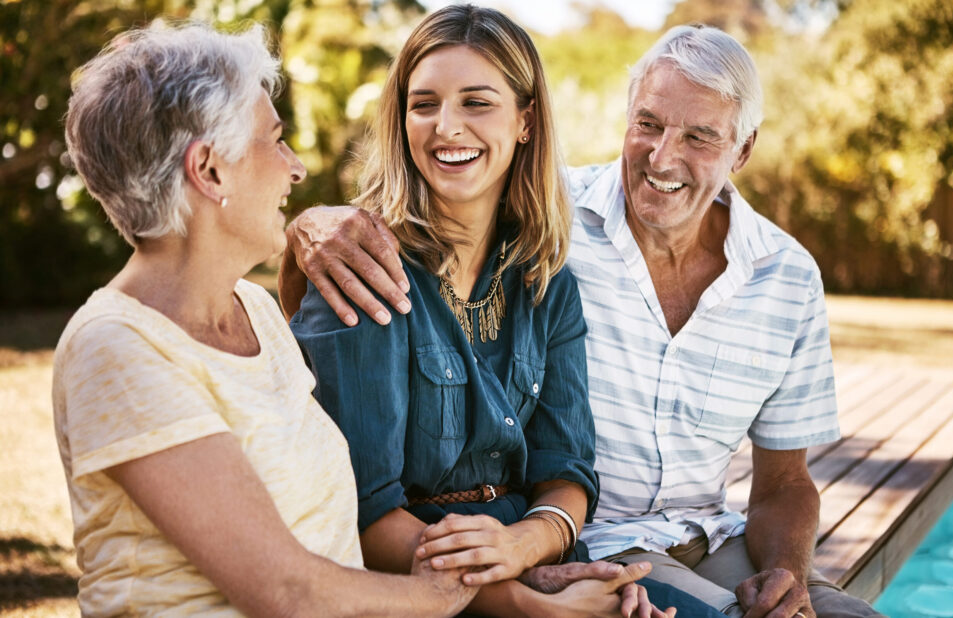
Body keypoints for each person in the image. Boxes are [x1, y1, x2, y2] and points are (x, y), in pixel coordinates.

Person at [278, 21, 884, 618]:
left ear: (743, 149)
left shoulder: (547, 263)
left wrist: (786, 577)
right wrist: (307, 226)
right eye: (648, 124)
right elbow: (362, 508)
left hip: (675, 536)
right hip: (583, 546)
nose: (663, 156)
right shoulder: (485, 238)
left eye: (700, 136)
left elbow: (775, 480)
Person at [53, 20, 480, 617]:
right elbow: (285, 592)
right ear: (209, 171)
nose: (296, 167)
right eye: (274, 140)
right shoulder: (116, 348)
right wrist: (438, 596)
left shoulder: (253, 309)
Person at [287, 5, 700, 617]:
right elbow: (364, 513)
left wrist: (530, 547)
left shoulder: (544, 278)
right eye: (424, 104)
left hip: (535, 560)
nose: (446, 127)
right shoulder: (363, 267)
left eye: (475, 103)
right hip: (417, 586)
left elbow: (567, 468)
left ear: (525, 121)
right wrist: (522, 602)